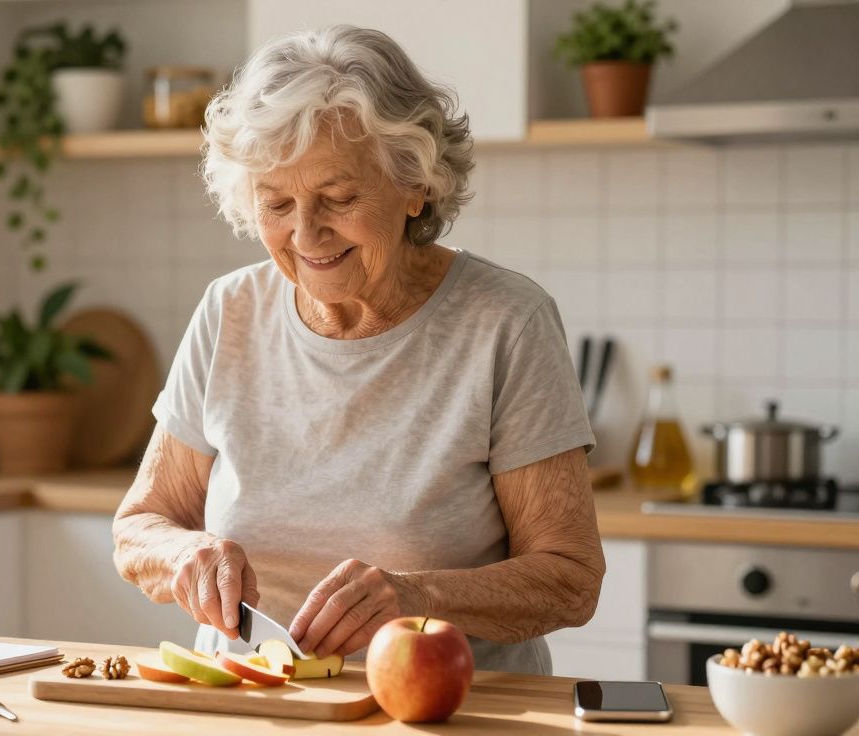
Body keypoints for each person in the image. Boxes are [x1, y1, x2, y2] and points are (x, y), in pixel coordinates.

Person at [112, 25, 604, 674]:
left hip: (448, 710)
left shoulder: (505, 322)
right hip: (253, 705)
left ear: (415, 184)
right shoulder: (228, 311)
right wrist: (185, 556)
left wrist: (417, 595)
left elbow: (570, 578)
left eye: (338, 199)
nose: (305, 232)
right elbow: (139, 525)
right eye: (276, 202)